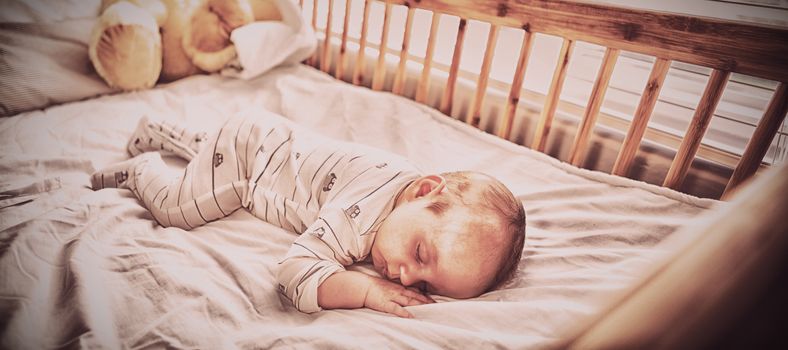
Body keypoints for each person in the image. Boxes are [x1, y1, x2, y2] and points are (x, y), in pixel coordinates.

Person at [91, 110, 526, 318]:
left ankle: (165, 131)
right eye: (419, 252)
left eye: (427, 284)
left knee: (212, 155)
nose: (406, 277)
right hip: (250, 163)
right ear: (424, 191)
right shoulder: (360, 214)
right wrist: (365, 291)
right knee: (177, 210)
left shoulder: (407, 197)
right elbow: (295, 270)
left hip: (265, 135)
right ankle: (142, 169)